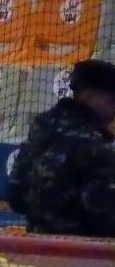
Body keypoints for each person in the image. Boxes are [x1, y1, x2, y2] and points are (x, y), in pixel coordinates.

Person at [8, 58, 115, 238]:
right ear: (89, 96)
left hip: (34, 244)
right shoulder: (94, 145)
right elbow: (105, 218)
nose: (114, 111)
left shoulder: (41, 130)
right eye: (111, 102)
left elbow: (15, 196)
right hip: (81, 249)